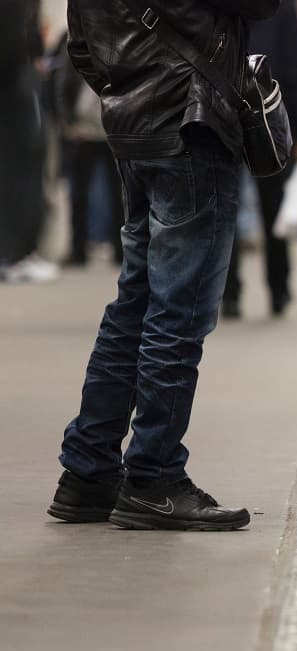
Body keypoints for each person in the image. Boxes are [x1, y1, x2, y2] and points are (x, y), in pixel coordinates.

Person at [48, 0, 280, 531]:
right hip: (192, 128)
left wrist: (126, 98)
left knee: (136, 302)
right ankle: (153, 479)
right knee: (180, 312)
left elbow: (81, 45)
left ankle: (88, 472)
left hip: (136, 133)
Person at [222, 0, 297, 320]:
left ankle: (229, 294)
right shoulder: (282, 6)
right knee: (274, 204)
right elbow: (295, 67)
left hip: (222, 110)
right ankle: (278, 289)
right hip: (268, 114)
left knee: (226, 208)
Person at [0, 0, 58, 284]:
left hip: (16, 90)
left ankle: (16, 252)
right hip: (14, 95)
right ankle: (13, 254)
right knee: (19, 172)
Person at [56, 49, 124, 268]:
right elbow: (63, 89)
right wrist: (69, 124)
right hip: (82, 132)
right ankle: (78, 250)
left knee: (120, 195)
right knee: (78, 193)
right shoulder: (77, 48)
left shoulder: (119, 44)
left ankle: (120, 251)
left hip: (112, 131)